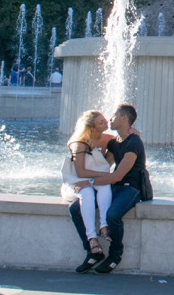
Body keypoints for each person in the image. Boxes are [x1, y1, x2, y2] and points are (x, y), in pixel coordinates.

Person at [70, 103, 147, 274]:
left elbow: (117, 175)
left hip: (131, 189)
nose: (110, 118)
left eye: (113, 115)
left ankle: (115, 255)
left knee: (113, 215)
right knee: (75, 208)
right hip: (115, 186)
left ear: (124, 118)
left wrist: (88, 183)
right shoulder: (116, 142)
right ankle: (93, 251)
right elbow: (106, 166)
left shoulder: (133, 144)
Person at [64, 110, 114, 265]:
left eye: (105, 120)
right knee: (87, 193)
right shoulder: (79, 143)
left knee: (105, 186)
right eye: (101, 122)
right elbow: (80, 172)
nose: (106, 123)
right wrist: (102, 176)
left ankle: (104, 226)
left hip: (94, 179)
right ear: (92, 128)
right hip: (76, 181)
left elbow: (108, 164)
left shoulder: (109, 139)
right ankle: (92, 239)